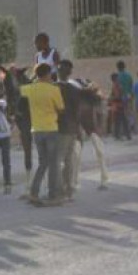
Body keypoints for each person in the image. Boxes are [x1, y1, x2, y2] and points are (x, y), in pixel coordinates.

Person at [20, 63, 65, 206]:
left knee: (42, 163)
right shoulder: (54, 90)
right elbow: (61, 109)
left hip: (36, 130)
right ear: (47, 74)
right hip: (51, 129)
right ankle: (53, 195)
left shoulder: (29, 89)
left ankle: (33, 193)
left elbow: (18, 90)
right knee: (53, 164)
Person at [57, 60, 82, 200]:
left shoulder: (53, 88)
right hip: (71, 128)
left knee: (58, 161)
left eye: (60, 69)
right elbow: (78, 111)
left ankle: (61, 190)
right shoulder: (74, 90)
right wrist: (78, 129)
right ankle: (69, 190)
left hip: (58, 129)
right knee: (68, 160)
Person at [110, 73, 131, 141]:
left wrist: (113, 98)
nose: (114, 80)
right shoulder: (116, 85)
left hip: (119, 105)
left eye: (114, 78)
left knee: (120, 121)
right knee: (121, 121)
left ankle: (122, 135)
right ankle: (125, 135)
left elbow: (119, 96)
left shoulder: (118, 86)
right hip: (118, 105)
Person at [117, 60, 135, 132]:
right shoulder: (128, 75)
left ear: (118, 67)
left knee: (124, 112)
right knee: (130, 110)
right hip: (129, 95)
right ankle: (132, 124)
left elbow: (119, 87)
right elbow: (131, 85)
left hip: (122, 96)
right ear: (124, 66)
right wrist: (131, 94)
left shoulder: (118, 76)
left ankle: (126, 127)